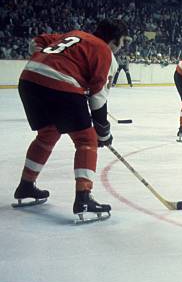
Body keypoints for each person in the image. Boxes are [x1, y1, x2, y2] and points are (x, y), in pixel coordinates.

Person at [14, 19, 130, 223]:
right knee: (87, 140)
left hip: (29, 81)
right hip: (59, 85)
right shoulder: (106, 52)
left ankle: (25, 186)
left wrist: (44, 61)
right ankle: (84, 198)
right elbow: (97, 100)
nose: (120, 48)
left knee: (48, 133)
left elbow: (37, 41)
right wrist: (103, 133)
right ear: (113, 41)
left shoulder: (74, 35)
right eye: (121, 43)